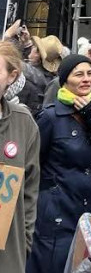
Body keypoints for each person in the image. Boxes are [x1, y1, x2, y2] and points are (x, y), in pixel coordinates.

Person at [26, 54, 91, 273]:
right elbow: (33, 165)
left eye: (89, 73)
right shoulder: (50, 117)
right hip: (56, 216)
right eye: (78, 74)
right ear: (65, 81)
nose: (86, 79)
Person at [0, 41, 40, 273]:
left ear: (12, 76)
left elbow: (30, 191)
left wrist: (24, 243)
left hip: (8, 258)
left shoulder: (23, 123)